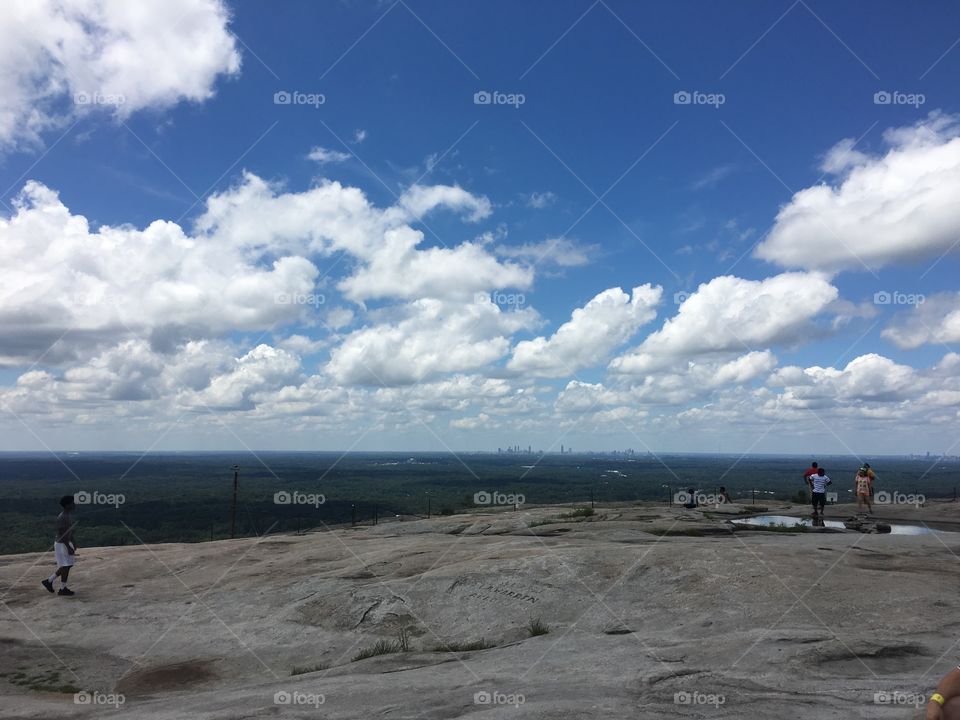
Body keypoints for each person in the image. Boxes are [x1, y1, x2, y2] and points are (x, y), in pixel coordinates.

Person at [42, 495, 77, 596]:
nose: (74, 504)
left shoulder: (66, 515)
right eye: (72, 503)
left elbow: (69, 532)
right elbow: (62, 533)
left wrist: (73, 542)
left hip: (64, 543)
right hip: (62, 544)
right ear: (67, 505)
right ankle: (62, 588)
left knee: (67, 565)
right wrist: (68, 546)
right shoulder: (62, 517)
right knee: (66, 565)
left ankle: (49, 581)